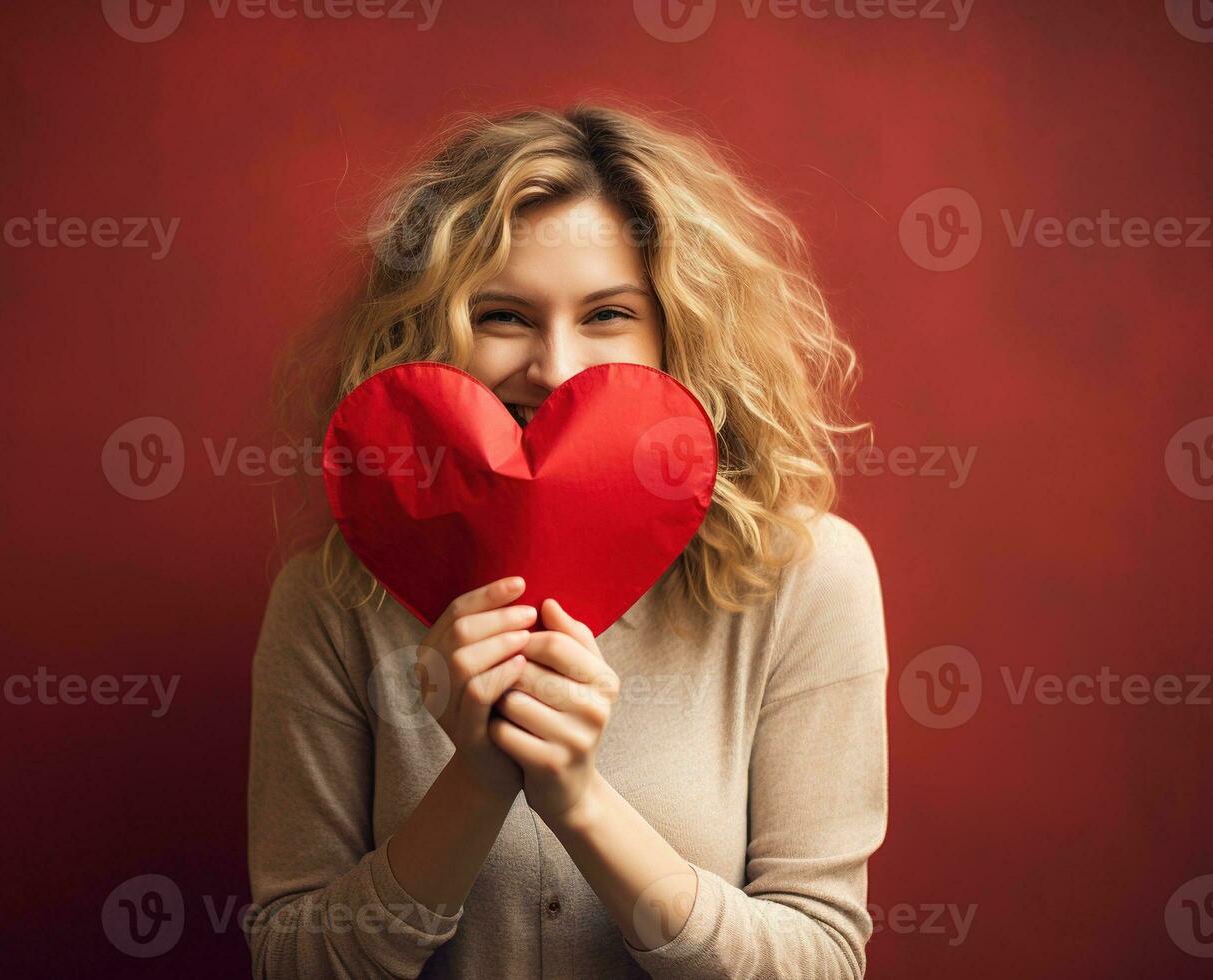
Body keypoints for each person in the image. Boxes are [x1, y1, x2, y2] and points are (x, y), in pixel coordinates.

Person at [245, 103, 888, 979]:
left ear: (677, 333)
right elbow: (292, 962)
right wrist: (473, 780)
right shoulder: (333, 597)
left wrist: (579, 801)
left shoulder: (809, 577)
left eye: (608, 314)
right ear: (432, 332)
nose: (555, 368)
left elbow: (821, 962)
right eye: (503, 315)